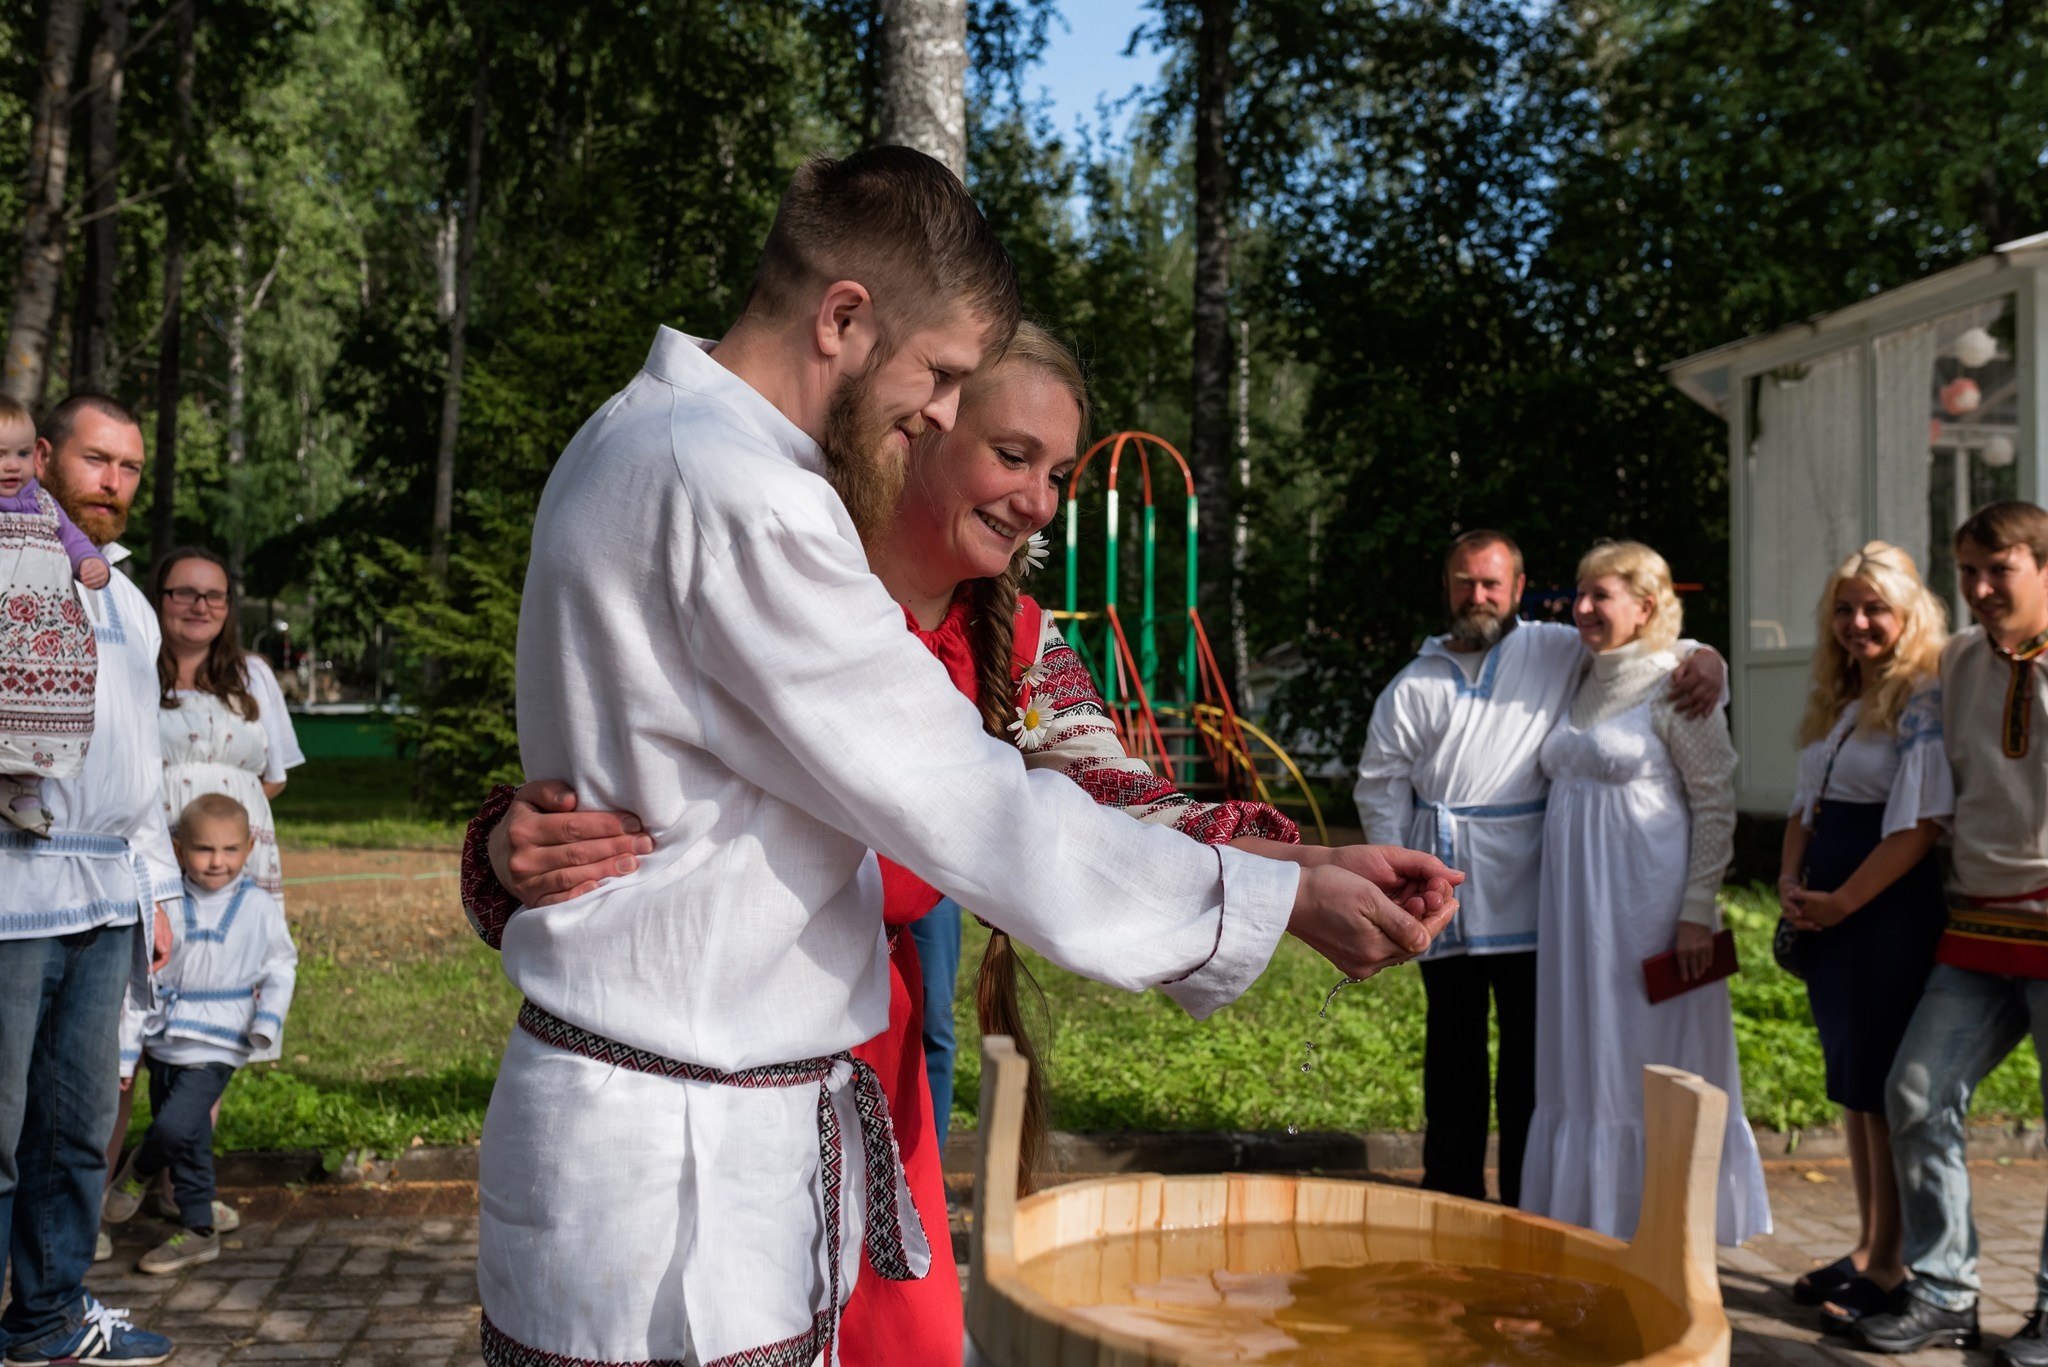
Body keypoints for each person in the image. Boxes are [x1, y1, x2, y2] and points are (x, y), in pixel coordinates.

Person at [471, 146, 1459, 1367]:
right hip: (684, 1165)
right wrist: (1274, 895)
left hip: (716, 1123)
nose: (941, 411)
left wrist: (1288, 861)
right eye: (942, 379)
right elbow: (970, 803)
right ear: (843, 317)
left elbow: (1083, 778)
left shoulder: (635, 435)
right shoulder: (739, 491)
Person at [1354, 530, 1725, 1206]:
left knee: (1533, 1052)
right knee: (1454, 1049)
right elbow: (1379, 782)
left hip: (1535, 893)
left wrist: (1709, 657)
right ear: (1448, 587)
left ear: (1519, 589)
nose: (1479, 595)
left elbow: (1649, 652)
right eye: (1466, 582)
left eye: (1493, 583)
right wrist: (1396, 879)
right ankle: (1451, 1189)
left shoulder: (1553, 648)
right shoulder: (1414, 682)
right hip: (1443, 886)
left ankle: (1533, 1195)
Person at [1517, 539, 1770, 1247]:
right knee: (1586, 1057)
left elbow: (1717, 801)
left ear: (1646, 605)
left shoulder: (1677, 684)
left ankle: (1661, 1224)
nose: (1584, 608)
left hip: (1649, 910)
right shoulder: (1575, 671)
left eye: (1602, 595)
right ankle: (1591, 1222)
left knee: (1646, 1062)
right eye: (1581, 593)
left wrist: (1697, 911)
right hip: (1577, 914)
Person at [0, 393, 178, 1366]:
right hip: (11, 887)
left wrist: (155, 891)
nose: (114, 482)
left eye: (130, 468)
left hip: (107, 892)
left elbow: (139, 766)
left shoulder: (131, 600)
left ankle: (46, 1319)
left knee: (75, 1127)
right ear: (44, 458)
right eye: (97, 459)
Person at [1853, 502, 2048, 1363]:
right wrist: (1702, 662)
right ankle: (1944, 1291)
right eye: (1967, 570)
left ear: (2043, 567)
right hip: (1975, 919)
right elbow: (1860, 667)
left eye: (1998, 569)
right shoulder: (1958, 660)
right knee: (1915, 1094)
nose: (1977, 588)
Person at [1773, 542, 1950, 1326]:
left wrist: (1843, 900)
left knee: (1880, 1086)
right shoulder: (1843, 701)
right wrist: (1790, 881)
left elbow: (1918, 826)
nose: (1858, 622)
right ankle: (1868, 1243)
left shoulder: (1922, 698)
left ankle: (1891, 1264)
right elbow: (1803, 809)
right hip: (1834, 914)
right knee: (1853, 1087)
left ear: (1909, 614)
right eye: (1845, 609)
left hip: (1883, 914)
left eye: (1875, 608)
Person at [103, 794, 296, 1276]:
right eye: (205, 849)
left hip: (221, 1039)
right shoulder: (165, 904)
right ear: (177, 846)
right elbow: (141, 979)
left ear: (250, 847)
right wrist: (128, 1056)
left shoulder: (257, 905)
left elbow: (281, 965)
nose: (217, 861)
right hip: (165, 1037)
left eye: (230, 850)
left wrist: (266, 1022)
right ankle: (198, 1231)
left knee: (173, 1127)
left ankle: (139, 1171)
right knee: (188, 1140)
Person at [148, 546, 305, 901]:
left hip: (239, 852)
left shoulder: (254, 675)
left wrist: (224, 824)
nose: (200, 606)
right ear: (158, 599)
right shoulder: (135, 673)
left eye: (214, 596)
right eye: (184, 593)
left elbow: (275, 778)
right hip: (159, 847)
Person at [0, 394, 109, 836]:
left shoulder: (46, 503)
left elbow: (76, 540)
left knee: (44, 714)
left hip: (46, 642)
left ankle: (25, 788)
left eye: (22, 454)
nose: (12, 465)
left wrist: (88, 563)